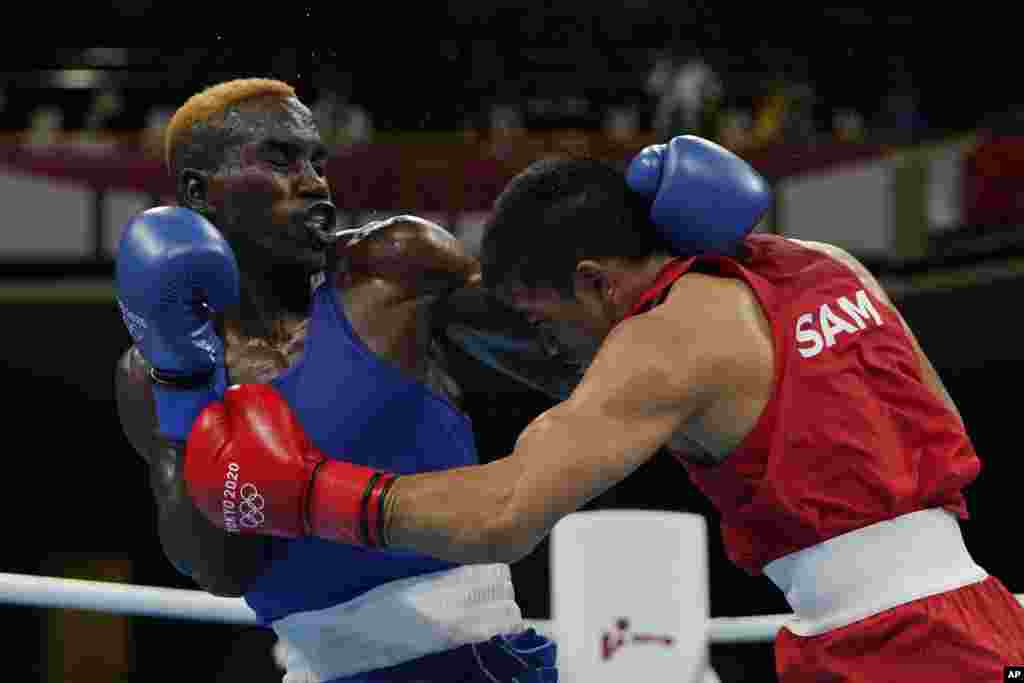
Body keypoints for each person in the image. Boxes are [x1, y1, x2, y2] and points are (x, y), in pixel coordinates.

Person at [183, 134, 1024, 681]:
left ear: (593, 279)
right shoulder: (829, 262)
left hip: (891, 650)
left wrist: (309, 489)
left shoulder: (661, 336)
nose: (557, 351)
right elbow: (936, 418)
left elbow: (502, 515)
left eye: (550, 322)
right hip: (978, 611)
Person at [115, 78, 561, 682]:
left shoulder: (392, 272)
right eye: (280, 159)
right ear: (200, 190)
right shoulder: (153, 370)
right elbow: (222, 573)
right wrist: (185, 382)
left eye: (316, 160)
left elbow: (568, 357)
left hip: (479, 662)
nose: (313, 179)